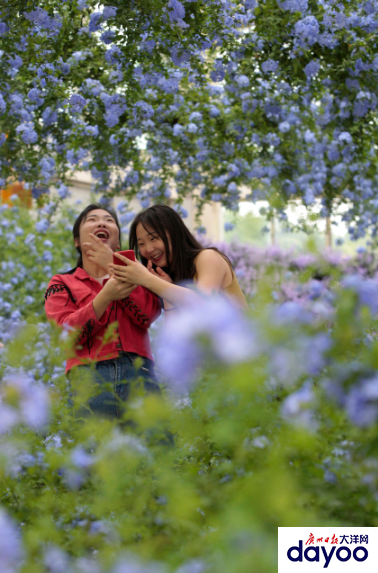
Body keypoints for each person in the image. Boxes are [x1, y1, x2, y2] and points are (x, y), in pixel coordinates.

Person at [44, 204, 162, 418]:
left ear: (117, 241)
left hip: (140, 375)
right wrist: (105, 297)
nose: (101, 222)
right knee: (93, 451)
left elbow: (148, 315)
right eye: (92, 219)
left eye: (109, 220)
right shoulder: (62, 282)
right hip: (88, 378)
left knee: (154, 450)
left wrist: (113, 266)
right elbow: (64, 335)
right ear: (77, 241)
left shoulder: (140, 274)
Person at [109, 204, 247, 311]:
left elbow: (203, 302)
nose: (149, 249)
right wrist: (167, 296)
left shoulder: (208, 257)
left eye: (154, 238)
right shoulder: (168, 278)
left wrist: (147, 279)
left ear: (175, 233)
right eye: (141, 244)